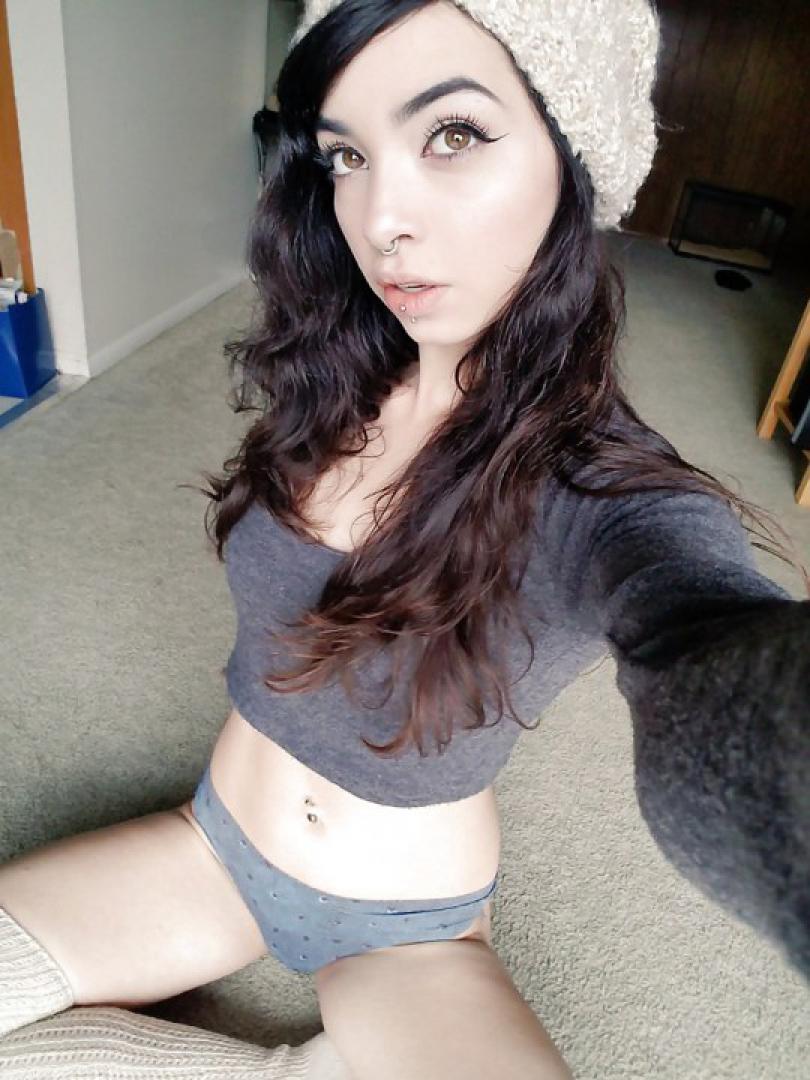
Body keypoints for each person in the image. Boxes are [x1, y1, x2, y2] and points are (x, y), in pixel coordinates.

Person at [2, 0, 808, 1077]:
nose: (381, 217)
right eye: (347, 155)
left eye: (454, 134)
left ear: (573, 161)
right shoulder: (338, 372)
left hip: (406, 932)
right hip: (209, 846)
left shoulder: (607, 488)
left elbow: (712, 635)